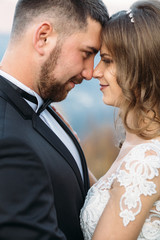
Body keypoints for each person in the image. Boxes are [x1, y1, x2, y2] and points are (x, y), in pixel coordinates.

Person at [0, 0, 109, 239]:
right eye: (87, 53)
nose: (90, 73)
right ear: (43, 38)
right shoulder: (7, 140)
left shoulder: (48, 105)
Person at [80, 0, 160, 239]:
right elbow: (112, 195)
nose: (95, 71)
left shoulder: (145, 161)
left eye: (107, 60)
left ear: (137, 65)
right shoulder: (137, 147)